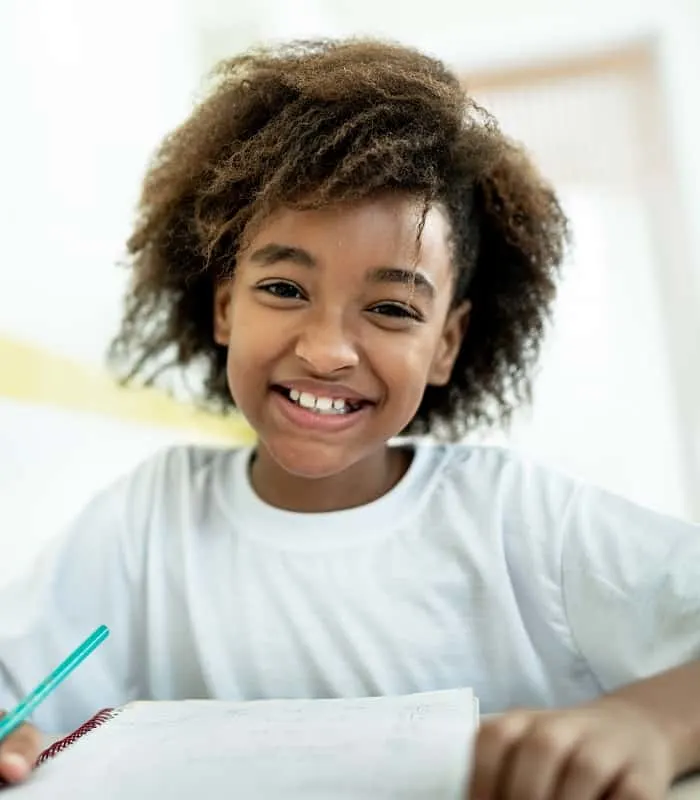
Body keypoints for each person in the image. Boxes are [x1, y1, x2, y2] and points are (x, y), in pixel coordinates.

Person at [0, 37, 698, 800]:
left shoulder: (521, 522)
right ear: (226, 305)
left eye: (393, 308)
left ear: (447, 344)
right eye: (285, 290)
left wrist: (652, 722)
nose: (328, 350)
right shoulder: (144, 522)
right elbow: (15, 699)